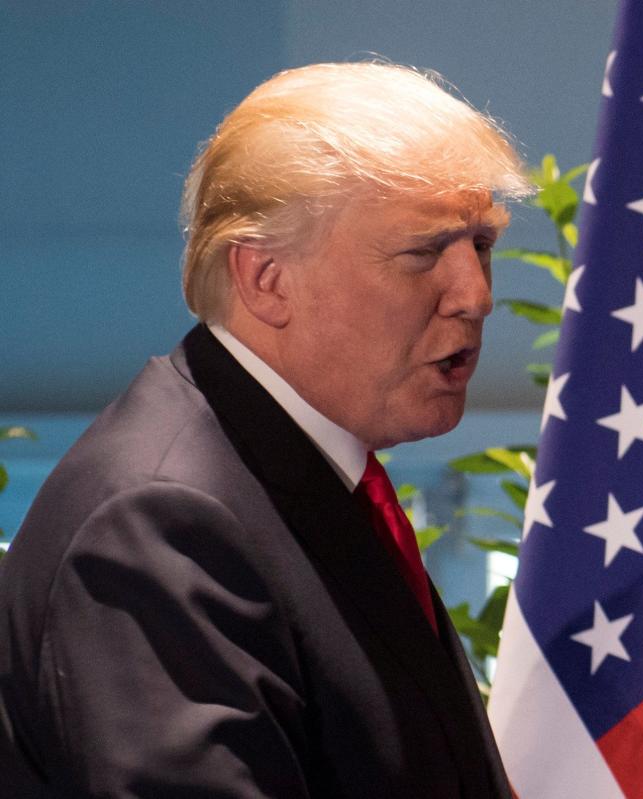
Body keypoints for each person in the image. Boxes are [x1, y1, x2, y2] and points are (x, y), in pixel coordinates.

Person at [0, 62, 527, 797]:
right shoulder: (158, 521)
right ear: (266, 278)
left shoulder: (294, 468)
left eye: (482, 246)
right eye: (423, 253)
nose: (475, 294)